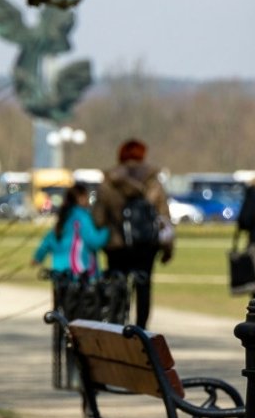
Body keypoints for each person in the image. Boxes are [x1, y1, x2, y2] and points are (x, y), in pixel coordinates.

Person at [92, 139, 173, 328]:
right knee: (144, 287)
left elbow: (98, 218)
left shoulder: (109, 183)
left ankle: (117, 324)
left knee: (116, 285)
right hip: (146, 244)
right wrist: (168, 248)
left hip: (116, 245)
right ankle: (141, 329)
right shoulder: (153, 182)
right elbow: (164, 218)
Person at [32, 182, 107, 277]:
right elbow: (94, 241)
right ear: (80, 198)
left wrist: (38, 257)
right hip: (79, 273)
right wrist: (106, 230)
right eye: (86, 196)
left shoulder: (63, 217)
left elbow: (48, 241)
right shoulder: (82, 217)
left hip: (59, 274)